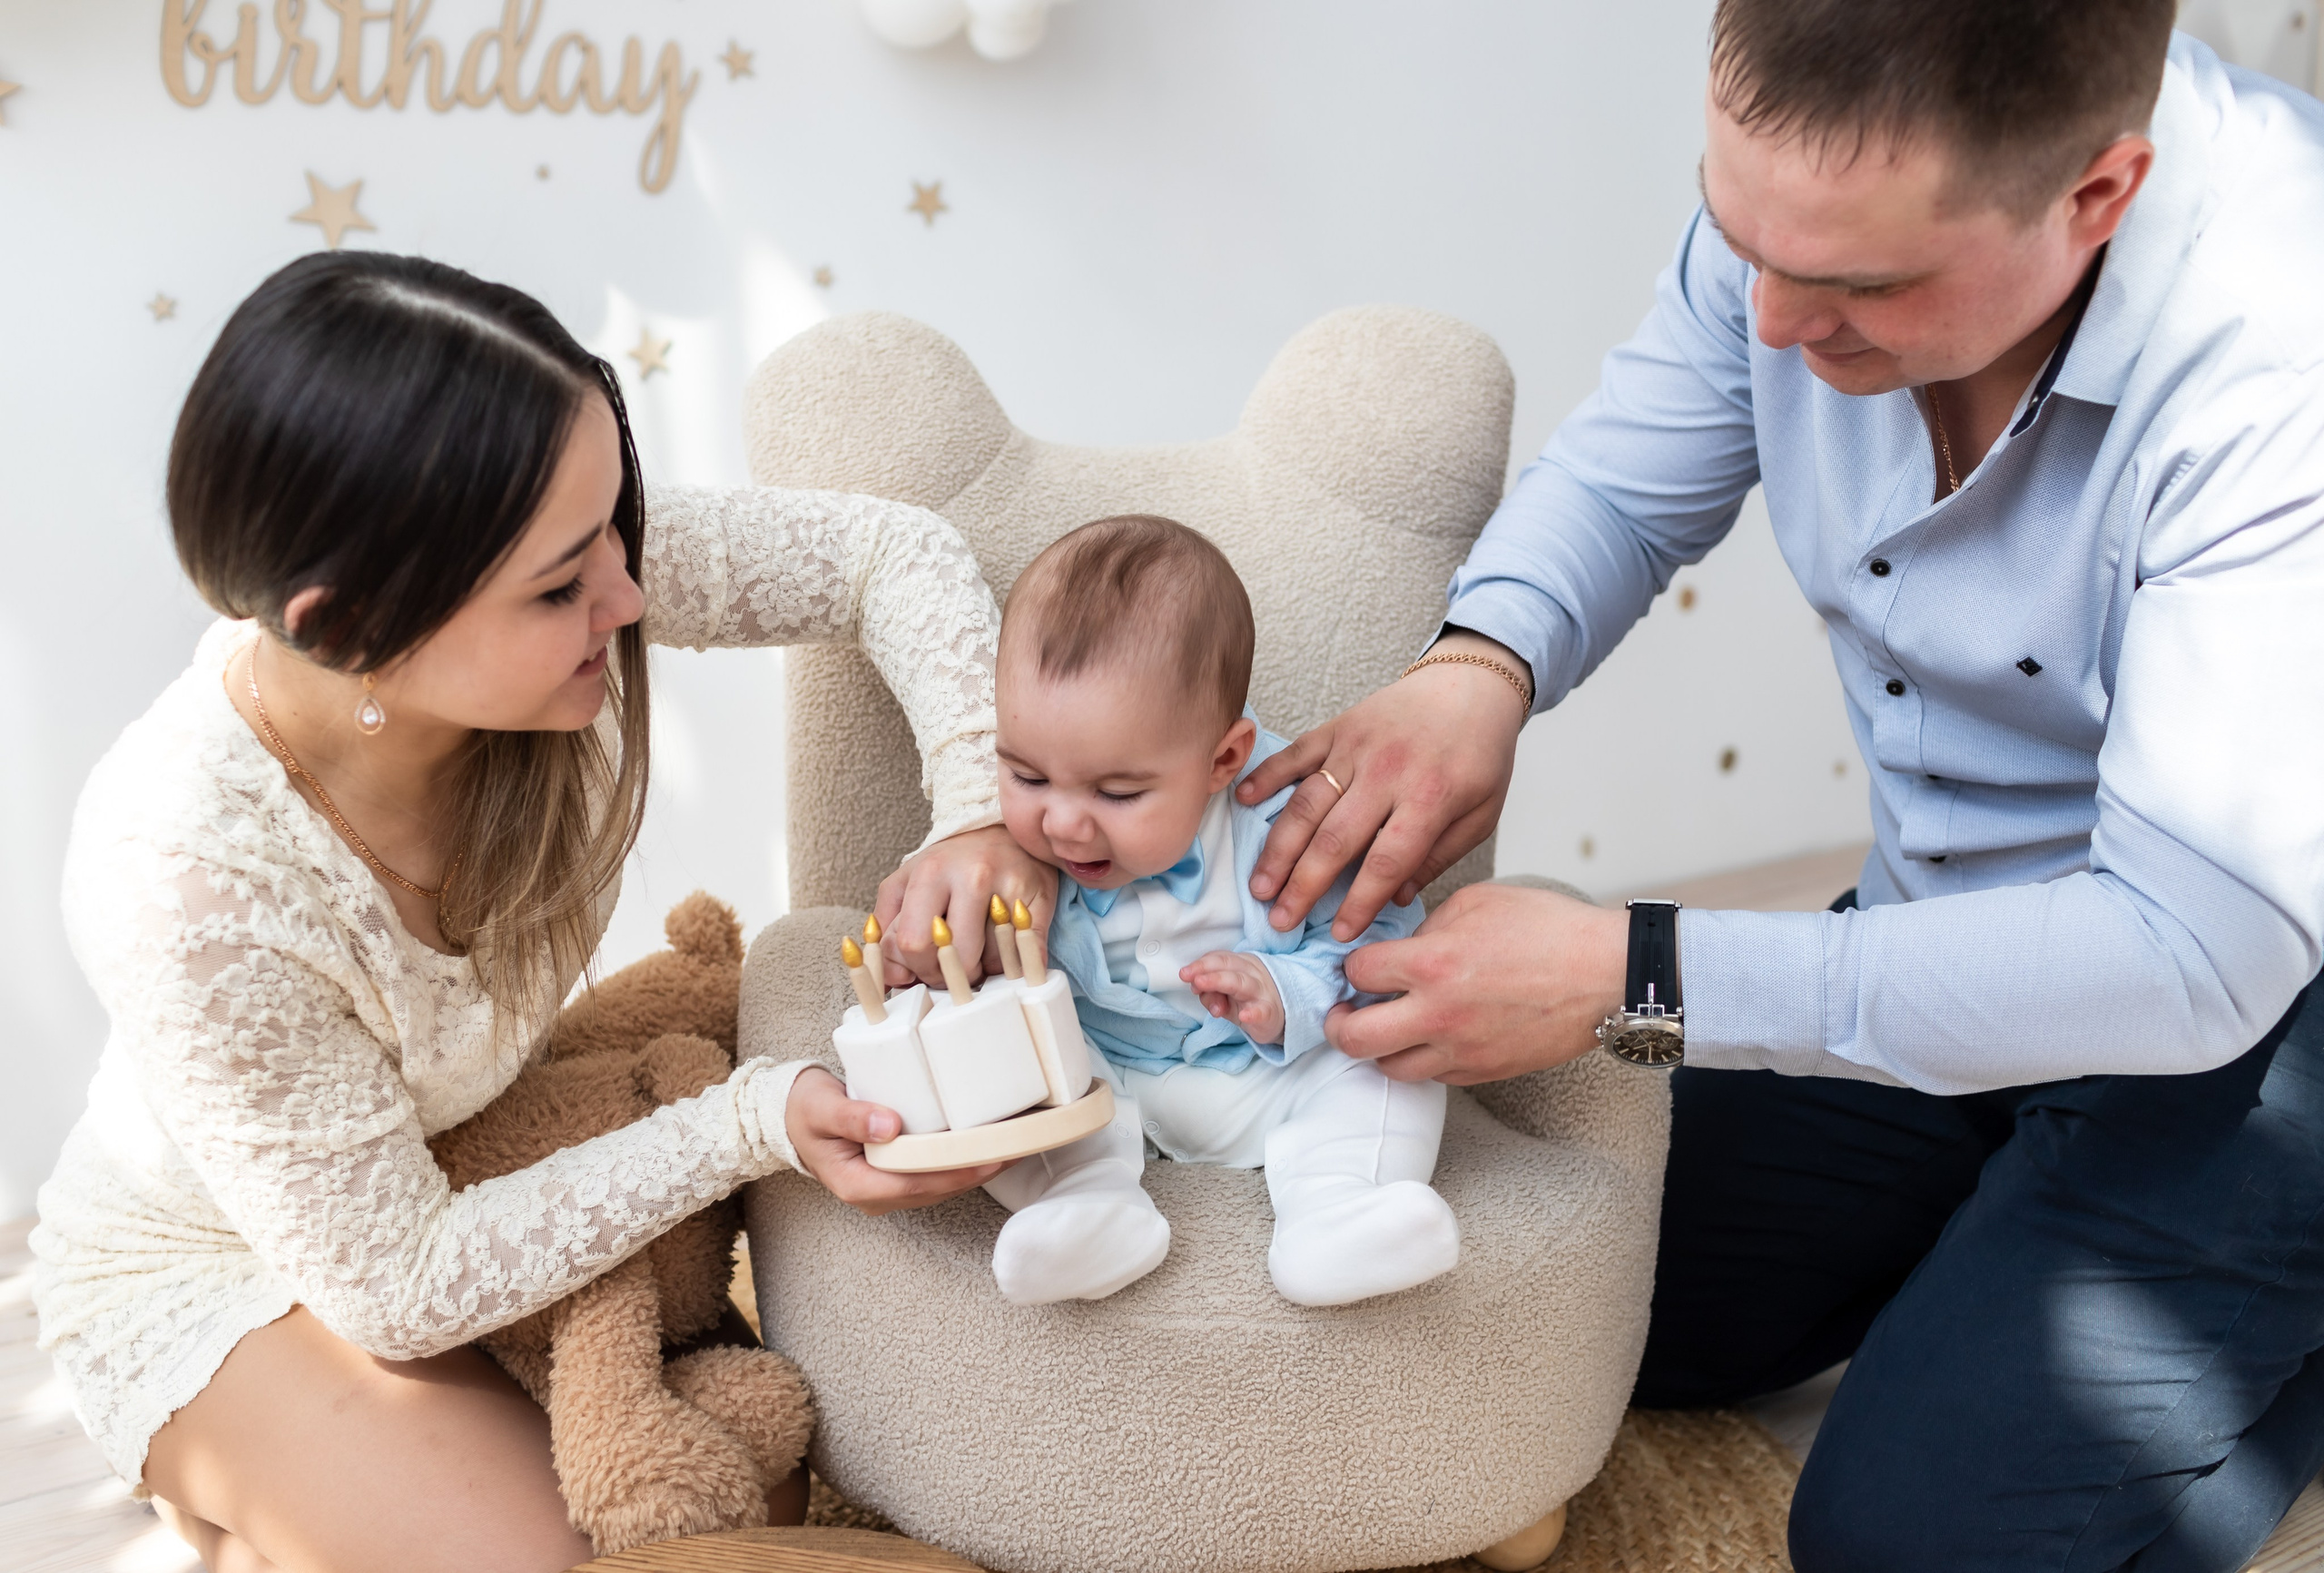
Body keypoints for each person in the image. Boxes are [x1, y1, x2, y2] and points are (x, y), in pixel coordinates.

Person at [1237, 3, 2324, 1568]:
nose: (1767, 321)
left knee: (1910, 1539)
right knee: (1571, 1299)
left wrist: (1639, 974)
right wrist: (1480, 665)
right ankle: (2018, 1245)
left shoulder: (2279, 358)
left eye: (1863, 288)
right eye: (1739, 231)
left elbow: (2189, 957)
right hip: (1950, 918)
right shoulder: (1809, 222)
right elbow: (1624, 474)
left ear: (2100, 194)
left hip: (2255, 1015)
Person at [29, 251, 1049, 1573]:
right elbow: (399, 1285)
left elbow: (888, 553)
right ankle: (241, 1474)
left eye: (616, 528)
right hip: (233, 1260)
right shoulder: (185, 883)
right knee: (563, 1550)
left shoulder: (555, 548)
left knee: (734, 1480)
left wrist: (977, 809)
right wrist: (748, 1121)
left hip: (461, 1154)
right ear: (347, 627)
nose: (626, 602)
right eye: (563, 588)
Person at [980, 516, 1447, 1308]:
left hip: (1269, 1077)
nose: (1062, 824)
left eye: (1116, 793)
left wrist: (1284, 989)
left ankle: (1337, 1206)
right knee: (1002, 1070)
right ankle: (1087, 1204)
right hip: (1105, 1078)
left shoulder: (1293, 819)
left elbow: (1380, 944)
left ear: (1222, 759)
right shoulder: (1013, 854)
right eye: (1026, 776)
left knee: (1393, 1061)